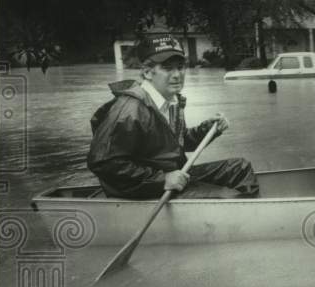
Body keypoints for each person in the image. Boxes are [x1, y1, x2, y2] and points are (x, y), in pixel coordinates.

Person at [87, 34, 260, 199]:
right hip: (141, 190)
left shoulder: (170, 101)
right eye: (167, 68)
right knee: (223, 197)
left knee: (239, 168)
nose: (177, 75)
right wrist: (162, 179)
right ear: (147, 72)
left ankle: (251, 213)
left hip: (173, 176)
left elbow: (179, 142)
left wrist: (209, 129)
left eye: (180, 67)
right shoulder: (129, 109)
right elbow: (102, 162)